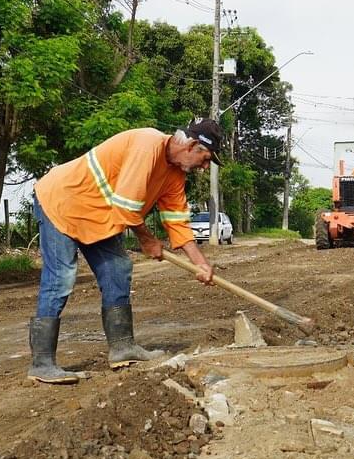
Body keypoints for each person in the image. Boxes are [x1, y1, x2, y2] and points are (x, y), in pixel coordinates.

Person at [27, 121, 220, 384]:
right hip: (62, 202)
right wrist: (147, 239)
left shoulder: (175, 176)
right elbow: (126, 207)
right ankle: (42, 363)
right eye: (205, 158)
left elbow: (178, 224)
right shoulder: (147, 145)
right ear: (192, 145)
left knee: (117, 269)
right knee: (61, 276)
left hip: (97, 217)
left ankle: (122, 347)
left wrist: (201, 265)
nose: (205, 166)